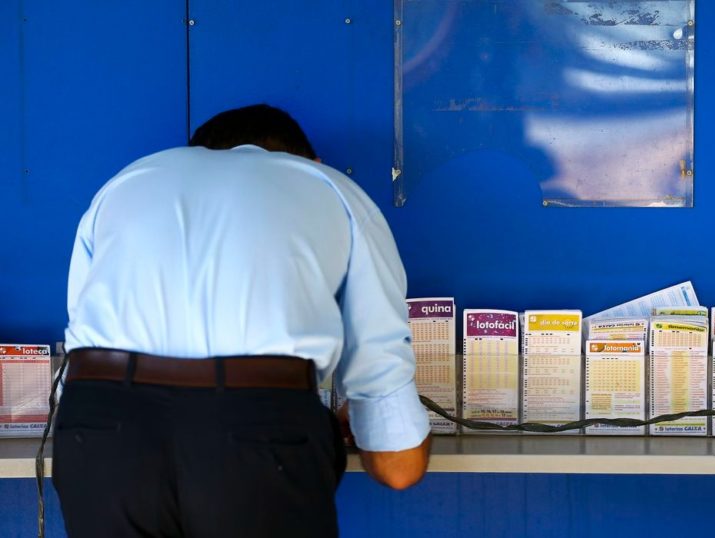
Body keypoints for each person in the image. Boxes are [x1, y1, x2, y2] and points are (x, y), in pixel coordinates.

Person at [53, 104, 432, 538]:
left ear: (196, 156)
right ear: (309, 163)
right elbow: (397, 461)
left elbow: (81, 340)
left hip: (98, 433)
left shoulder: (125, 184)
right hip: (256, 432)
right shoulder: (329, 187)